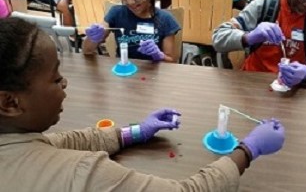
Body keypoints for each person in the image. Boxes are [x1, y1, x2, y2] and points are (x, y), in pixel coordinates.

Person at [0, 17, 285, 191]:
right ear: (10, 102)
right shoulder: (80, 174)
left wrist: (137, 131)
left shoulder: (15, 138)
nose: (64, 83)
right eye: (55, 78)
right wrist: (249, 149)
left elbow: (59, 143)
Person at [83, 0, 181, 62]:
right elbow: (87, 51)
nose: (130, 2)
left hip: (155, 74)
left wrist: (159, 56)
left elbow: (171, 60)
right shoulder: (116, 13)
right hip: (125, 71)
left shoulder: (165, 19)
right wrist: (92, 38)